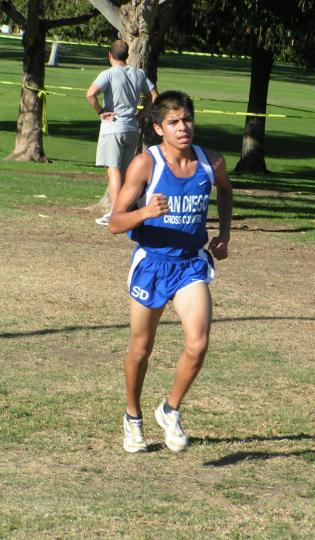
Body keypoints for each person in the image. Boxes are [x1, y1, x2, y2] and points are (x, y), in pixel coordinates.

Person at [108, 90, 233, 453]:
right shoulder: (145, 164)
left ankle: (170, 409)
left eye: (187, 119)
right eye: (174, 122)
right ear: (159, 128)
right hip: (152, 264)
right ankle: (133, 418)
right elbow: (115, 222)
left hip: (191, 264)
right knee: (140, 349)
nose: (183, 127)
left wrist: (224, 236)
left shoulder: (212, 162)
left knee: (198, 343)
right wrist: (145, 212)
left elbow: (226, 192)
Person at [86, 39, 158, 225]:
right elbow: (154, 96)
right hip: (132, 129)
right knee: (125, 172)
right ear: (127, 55)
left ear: (109, 55)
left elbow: (90, 94)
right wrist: (143, 113)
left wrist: (101, 111)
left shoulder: (108, 74)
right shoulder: (139, 73)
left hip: (113, 128)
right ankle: (127, 209)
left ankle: (117, 213)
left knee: (114, 171)